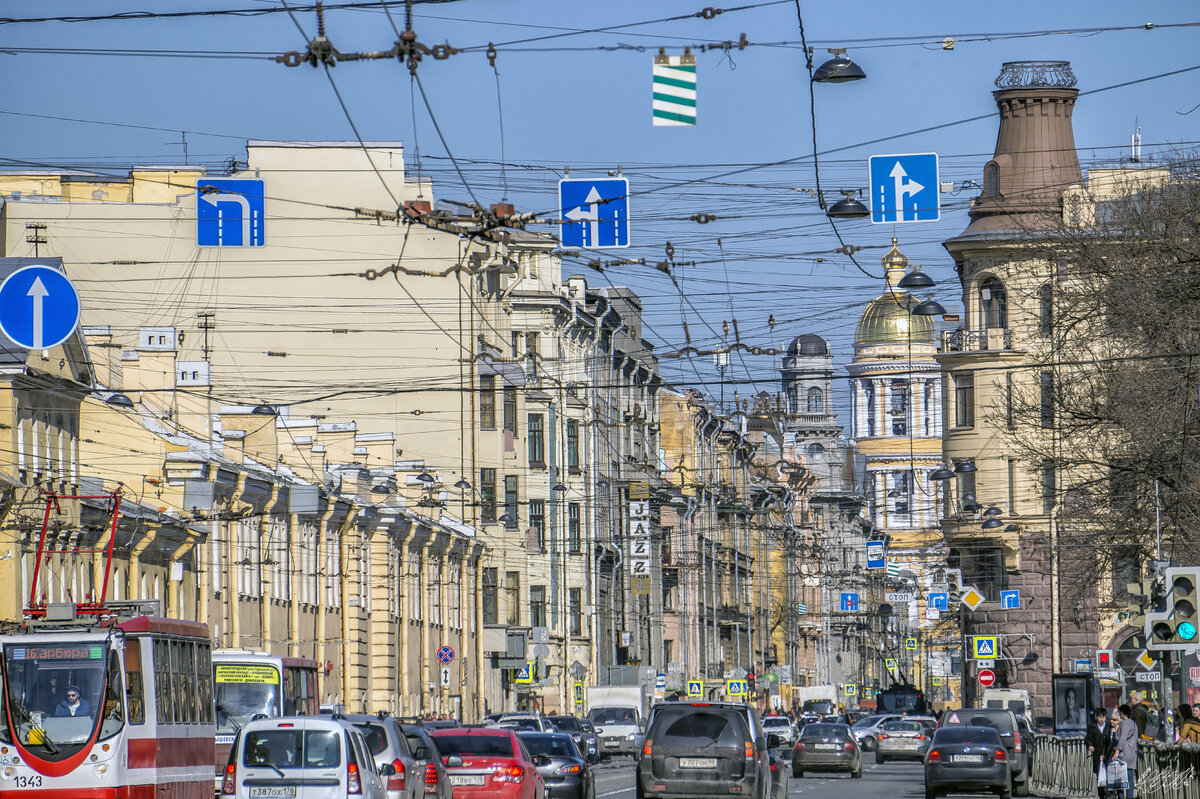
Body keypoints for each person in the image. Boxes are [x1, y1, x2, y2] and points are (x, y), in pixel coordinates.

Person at [1111, 704, 1138, 799]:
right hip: (1132, 752)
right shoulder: (1133, 723)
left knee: (1121, 777)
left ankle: (1122, 797)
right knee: (1130, 777)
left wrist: (1117, 751)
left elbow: (1122, 739)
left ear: (1122, 713)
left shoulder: (1125, 723)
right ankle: (1129, 796)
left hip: (1124, 753)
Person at [1085, 708, 1108, 798]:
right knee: (1099, 774)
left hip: (1107, 753)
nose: (1101, 719)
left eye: (1103, 717)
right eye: (1099, 717)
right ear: (1096, 717)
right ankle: (1101, 794)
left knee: (1108, 774)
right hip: (1097, 754)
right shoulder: (1092, 726)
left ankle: (1109, 794)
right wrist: (1090, 746)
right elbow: (1088, 739)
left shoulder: (1109, 726)